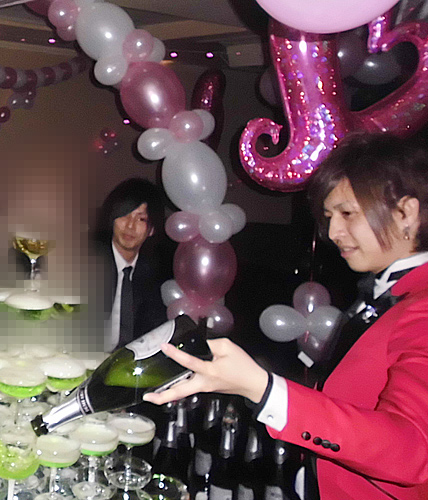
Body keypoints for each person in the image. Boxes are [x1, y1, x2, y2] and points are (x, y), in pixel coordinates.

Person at [143, 133, 428, 499]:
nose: (333, 232)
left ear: (407, 213)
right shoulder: (388, 291)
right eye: (329, 217)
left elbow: (412, 449)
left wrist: (264, 388)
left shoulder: (422, 304)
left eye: (347, 214)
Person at [94, 177, 171, 352]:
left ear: (152, 229)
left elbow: (155, 329)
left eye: (141, 219)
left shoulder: (152, 273)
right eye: (124, 215)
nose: (130, 226)